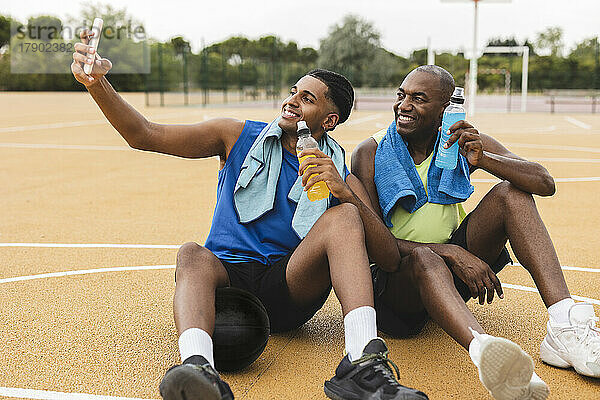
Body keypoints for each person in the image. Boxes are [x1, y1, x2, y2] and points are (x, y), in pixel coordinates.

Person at [71, 30, 429, 400]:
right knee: (191, 253)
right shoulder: (236, 136)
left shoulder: (338, 170)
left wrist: (344, 193)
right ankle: (197, 368)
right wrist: (97, 84)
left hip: (290, 283)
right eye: (293, 92)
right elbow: (143, 134)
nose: (292, 102)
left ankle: (362, 363)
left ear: (330, 120)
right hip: (227, 276)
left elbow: (387, 257)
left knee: (345, 218)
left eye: (306, 99)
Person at [351, 65, 600, 400]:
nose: (403, 105)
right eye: (402, 95)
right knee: (426, 256)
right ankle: (487, 354)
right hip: (398, 287)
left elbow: (544, 183)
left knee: (511, 194)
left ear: (446, 111)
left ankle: (563, 324)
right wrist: (454, 252)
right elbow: (376, 244)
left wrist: (484, 159)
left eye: (418, 98)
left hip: (452, 275)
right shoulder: (370, 152)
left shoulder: (460, 140)